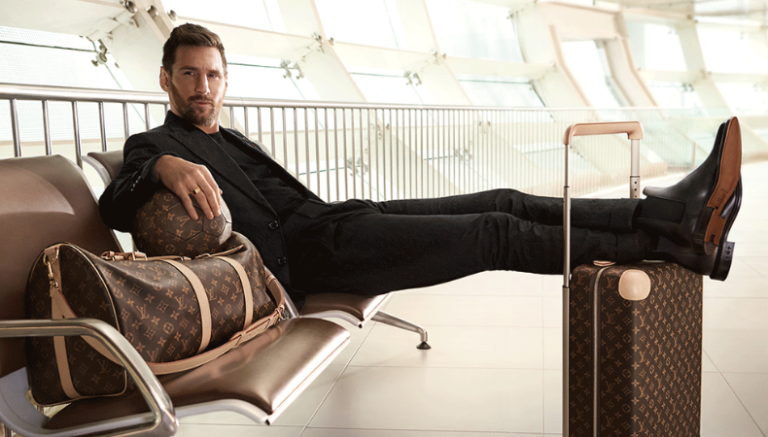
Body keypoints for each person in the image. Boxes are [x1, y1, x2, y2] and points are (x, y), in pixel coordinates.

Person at [99, 24, 742, 308]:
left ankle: (669, 218)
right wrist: (161, 168)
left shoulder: (229, 135)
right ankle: (678, 242)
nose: (203, 86)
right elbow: (115, 201)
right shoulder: (154, 144)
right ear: (165, 79)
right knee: (495, 232)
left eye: (212, 75)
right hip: (310, 255)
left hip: (339, 219)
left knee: (505, 196)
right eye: (190, 74)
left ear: (225, 81)